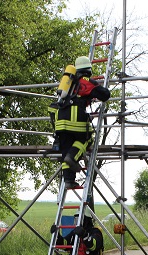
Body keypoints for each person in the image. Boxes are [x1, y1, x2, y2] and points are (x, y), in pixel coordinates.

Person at [51, 56, 110, 189]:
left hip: (60, 121)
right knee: (86, 139)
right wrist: (97, 87)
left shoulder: (67, 83)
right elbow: (105, 95)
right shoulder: (85, 81)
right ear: (88, 69)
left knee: (66, 148)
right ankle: (72, 158)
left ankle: (69, 181)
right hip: (75, 119)